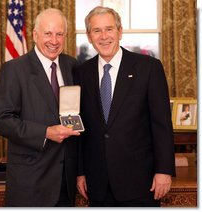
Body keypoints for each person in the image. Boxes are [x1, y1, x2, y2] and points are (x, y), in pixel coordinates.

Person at [75, 6, 176, 207]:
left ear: (120, 32)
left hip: (140, 182)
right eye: (97, 31)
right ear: (89, 35)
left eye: (109, 29)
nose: (104, 36)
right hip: (97, 183)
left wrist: (164, 170)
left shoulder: (149, 68)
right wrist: (80, 172)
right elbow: (80, 129)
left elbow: (162, 124)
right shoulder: (81, 72)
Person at [0, 8, 80, 207]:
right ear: (34, 34)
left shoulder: (72, 66)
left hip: (66, 181)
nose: (54, 40)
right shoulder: (14, 69)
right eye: (48, 33)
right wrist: (45, 132)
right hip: (30, 181)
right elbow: (2, 121)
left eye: (60, 34)